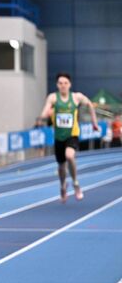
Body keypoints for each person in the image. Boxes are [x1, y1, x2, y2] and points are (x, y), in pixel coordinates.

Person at [39, 72, 98, 203]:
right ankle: (62, 186)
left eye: (65, 83)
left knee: (70, 156)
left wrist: (94, 123)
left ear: (70, 84)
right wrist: (45, 115)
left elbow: (90, 106)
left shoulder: (77, 97)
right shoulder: (53, 98)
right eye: (60, 83)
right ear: (57, 85)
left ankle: (76, 183)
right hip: (59, 136)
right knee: (61, 167)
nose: (63, 85)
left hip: (72, 134)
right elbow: (44, 113)